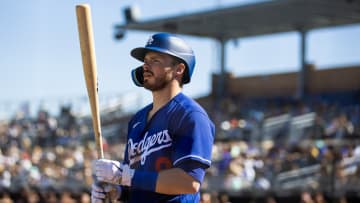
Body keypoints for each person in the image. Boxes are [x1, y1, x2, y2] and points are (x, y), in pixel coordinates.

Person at [91, 32, 215, 203]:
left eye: (155, 60)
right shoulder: (137, 120)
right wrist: (117, 191)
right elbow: (136, 182)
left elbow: (189, 182)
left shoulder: (190, 115)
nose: (145, 66)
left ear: (179, 69)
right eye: (145, 61)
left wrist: (126, 176)